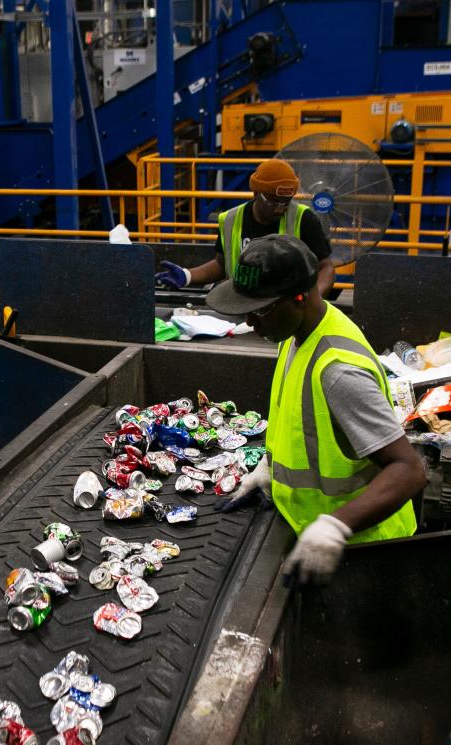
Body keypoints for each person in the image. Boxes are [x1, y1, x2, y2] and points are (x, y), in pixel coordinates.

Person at [207, 235, 424, 585]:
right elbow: (301, 425)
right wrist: (269, 468)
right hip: (312, 537)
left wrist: (335, 527)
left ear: (299, 298)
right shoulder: (297, 333)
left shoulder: (339, 372)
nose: (250, 323)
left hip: (364, 553)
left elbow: (409, 470)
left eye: (260, 310)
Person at [156, 157, 335, 296]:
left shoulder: (303, 219)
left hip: (287, 310)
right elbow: (221, 264)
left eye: (286, 203)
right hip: (242, 306)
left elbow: (326, 267)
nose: (280, 209)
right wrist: (187, 275)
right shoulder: (230, 220)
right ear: (256, 193)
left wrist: (310, 299)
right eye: (273, 203)